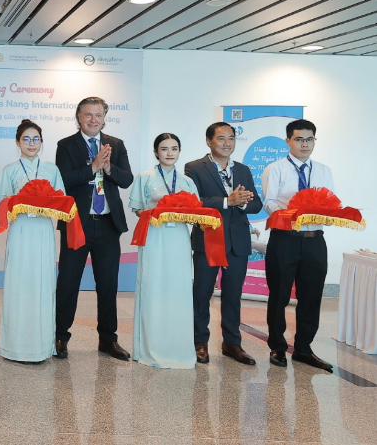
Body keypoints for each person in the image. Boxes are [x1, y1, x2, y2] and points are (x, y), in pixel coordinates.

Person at [54, 96, 133, 361]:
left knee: (108, 285)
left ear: (104, 118)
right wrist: (92, 168)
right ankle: (60, 337)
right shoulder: (66, 145)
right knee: (67, 283)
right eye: (88, 115)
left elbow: (126, 179)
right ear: (78, 116)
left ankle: (108, 340)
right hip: (77, 224)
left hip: (108, 225)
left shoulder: (116, 145)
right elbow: (63, 180)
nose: (93, 120)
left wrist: (108, 168)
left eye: (98, 115)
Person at [185, 122, 261, 366]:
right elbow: (194, 202)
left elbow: (256, 204)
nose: (227, 143)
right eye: (221, 138)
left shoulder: (243, 170)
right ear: (209, 141)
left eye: (231, 138)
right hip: (208, 240)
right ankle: (199, 342)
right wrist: (228, 201)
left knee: (233, 296)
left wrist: (243, 203)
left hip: (237, 243)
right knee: (202, 294)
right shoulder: (195, 167)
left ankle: (232, 343)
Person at [261, 119, 335, 372]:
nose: (305, 144)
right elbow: (269, 202)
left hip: (315, 241)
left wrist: (327, 215)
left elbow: (331, 204)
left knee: (311, 296)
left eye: (309, 139)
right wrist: (291, 214)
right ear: (288, 141)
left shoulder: (324, 170)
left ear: (315, 140)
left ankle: (304, 348)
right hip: (285, 239)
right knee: (279, 295)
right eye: (299, 139)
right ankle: (278, 347)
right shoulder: (276, 169)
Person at [0, 120, 65, 363]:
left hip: (43, 231)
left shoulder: (51, 170)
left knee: (43, 283)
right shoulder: (10, 170)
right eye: (26, 139)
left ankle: (43, 345)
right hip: (21, 230)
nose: (31, 144)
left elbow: (62, 201)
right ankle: (15, 345)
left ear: (42, 143)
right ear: (17, 142)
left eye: (36, 139)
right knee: (19, 282)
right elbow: (1, 202)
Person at [129, 133, 197, 369]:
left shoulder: (187, 181)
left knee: (178, 288)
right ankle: (149, 348)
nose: (169, 153)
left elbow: (196, 212)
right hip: (154, 235)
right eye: (164, 148)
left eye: (174, 148)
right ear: (156, 152)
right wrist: (157, 213)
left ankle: (178, 348)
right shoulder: (144, 177)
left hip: (179, 238)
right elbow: (137, 209)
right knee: (153, 287)